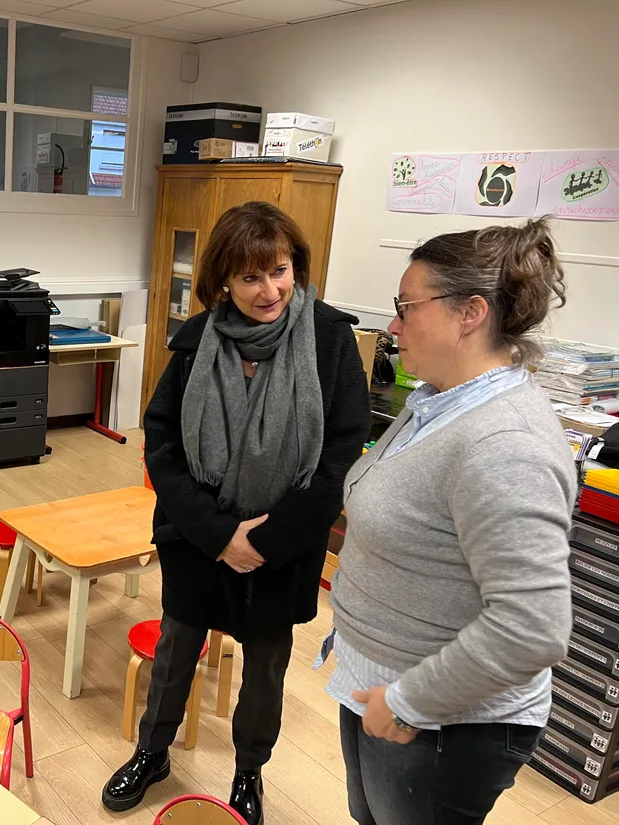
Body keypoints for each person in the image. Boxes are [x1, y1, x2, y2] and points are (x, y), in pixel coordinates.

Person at [102, 202, 371, 824]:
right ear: (223, 280)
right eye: (250, 277)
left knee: (266, 668)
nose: (269, 290)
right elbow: (163, 443)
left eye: (279, 271)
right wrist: (221, 535)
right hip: (200, 537)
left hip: (284, 547)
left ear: (295, 267)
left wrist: (266, 542)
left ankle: (249, 770)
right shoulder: (198, 339)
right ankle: (153, 751)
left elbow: (340, 458)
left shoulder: (330, 340)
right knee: (176, 650)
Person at [326, 218, 576, 825]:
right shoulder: (437, 402)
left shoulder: (504, 443)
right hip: (381, 681)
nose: (392, 325)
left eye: (406, 307)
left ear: (470, 313)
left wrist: (408, 701)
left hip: (442, 719)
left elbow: (533, 627)